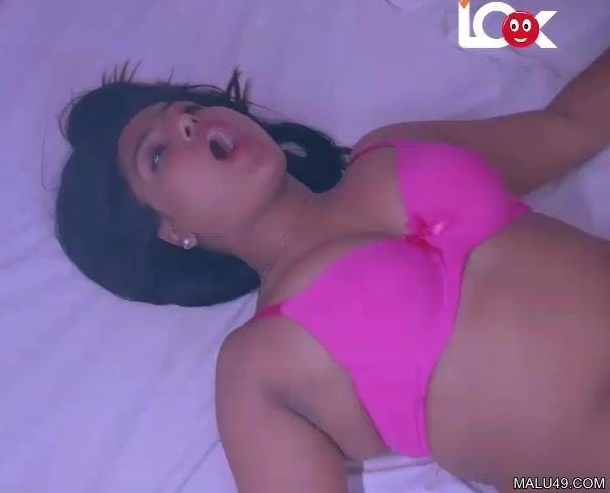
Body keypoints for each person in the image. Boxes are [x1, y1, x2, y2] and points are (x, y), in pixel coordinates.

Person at [54, 50, 610, 492]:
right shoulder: (257, 367)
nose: (187, 123)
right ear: (172, 232)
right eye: (156, 154)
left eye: (189, 112)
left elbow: (569, 126)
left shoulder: (392, 148)